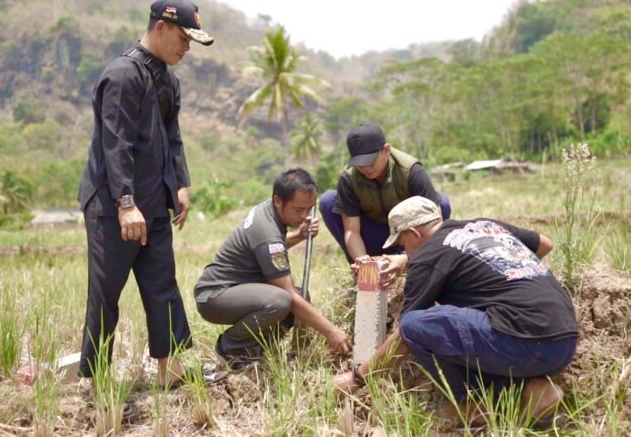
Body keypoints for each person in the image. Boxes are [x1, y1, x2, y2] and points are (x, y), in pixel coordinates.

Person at [333, 197, 578, 430]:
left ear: (415, 233)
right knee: (474, 323)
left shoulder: (428, 255)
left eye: (402, 243)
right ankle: (534, 391)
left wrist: (358, 378)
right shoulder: (485, 226)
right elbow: (545, 243)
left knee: (416, 324)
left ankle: (476, 403)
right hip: (565, 340)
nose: (404, 250)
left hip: (523, 343)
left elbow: (405, 335)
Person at [76, 0, 213, 387]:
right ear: (160, 27)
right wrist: (125, 204)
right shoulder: (122, 75)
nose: (187, 47)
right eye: (184, 38)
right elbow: (113, 143)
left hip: (152, 203)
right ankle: (96, 379)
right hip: (112, 205)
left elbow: (172, 137)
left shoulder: (168, 79)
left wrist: (181, 183)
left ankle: (170, 372)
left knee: (162, 285)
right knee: (106, 293)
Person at [194, 168, 352, 369]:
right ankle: (232, 348)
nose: (304, 216)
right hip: (215, 296)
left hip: (237, 289)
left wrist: (300, 235)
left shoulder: (269, 211)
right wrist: (332, 331)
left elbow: (269, 248)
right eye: (298, 210)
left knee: (299, 295)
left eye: (309, 209)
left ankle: (259, 349)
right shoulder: (266, 230)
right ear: (278, 201)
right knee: (281, 301)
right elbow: (287, 293)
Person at [319, 123, 451, 282]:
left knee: (441, 203)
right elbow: (351, 231)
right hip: (374, 235)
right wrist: (363, 261)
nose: (365, 168)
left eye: (370, 161)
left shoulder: (411, 171)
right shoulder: (348, 179)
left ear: (386, 150)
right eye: (359, 163)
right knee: (328, 201)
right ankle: (362, 271)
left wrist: (406, 258)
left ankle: (419, 262)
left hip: (406, 236)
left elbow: (436, 225)